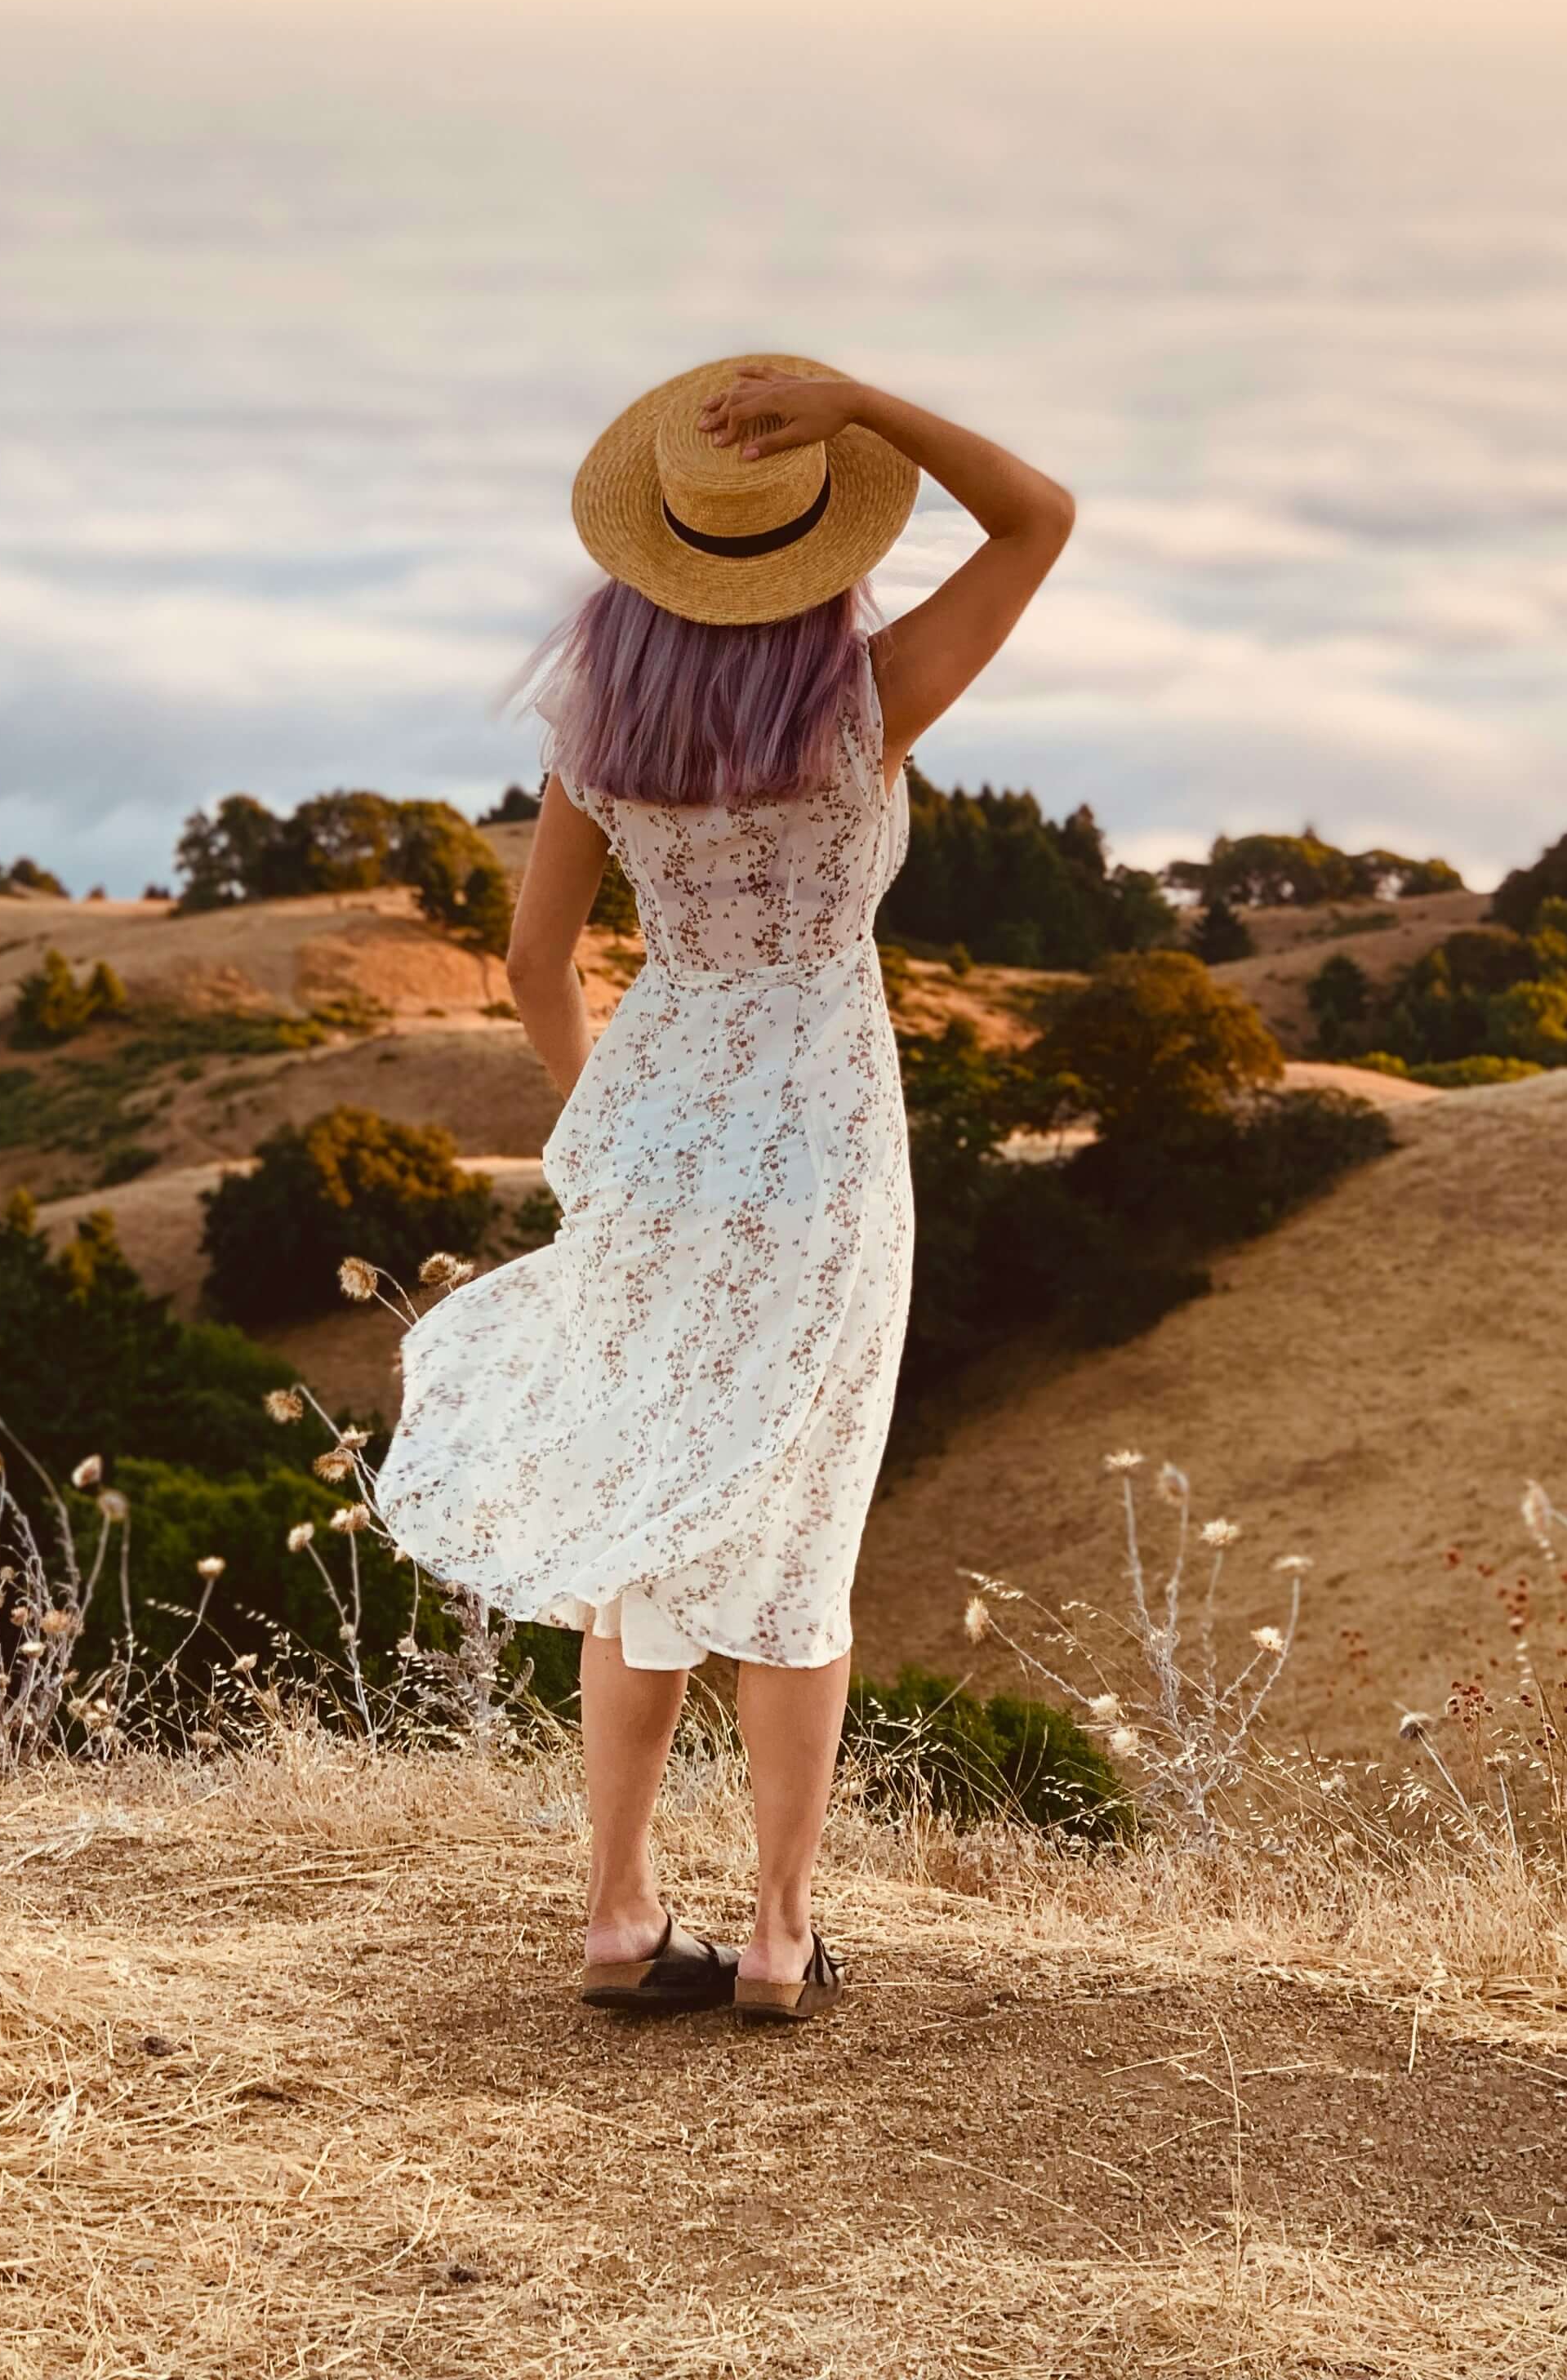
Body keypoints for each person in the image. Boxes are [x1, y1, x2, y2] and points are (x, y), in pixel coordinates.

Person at [376, 355, 1073, 2022]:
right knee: (799, 1528)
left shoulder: (601, 732)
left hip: (662, 1124)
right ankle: (776, 1933)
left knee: (653, 1518)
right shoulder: (864, 706)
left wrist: (611, 1129)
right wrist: (869, 406)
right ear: (822, 551)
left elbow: (536, 961)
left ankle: (619, 1916)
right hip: (826, 1132)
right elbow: (1041, 518)